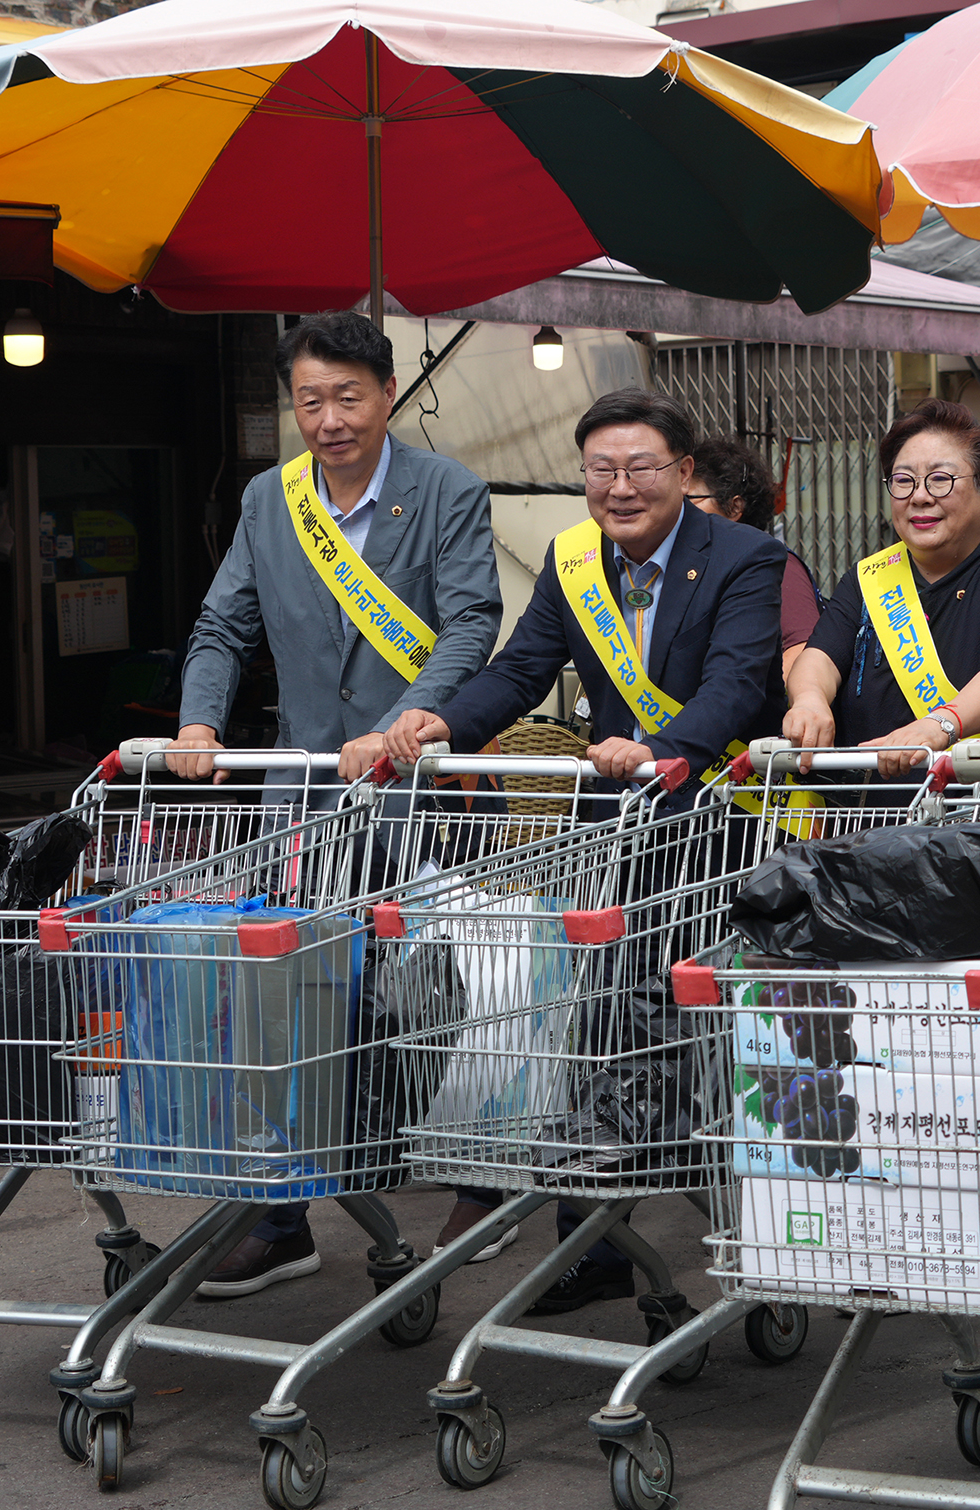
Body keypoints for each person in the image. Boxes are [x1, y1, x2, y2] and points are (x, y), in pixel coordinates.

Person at [386, 387, 787, 1311]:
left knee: (712, 1039)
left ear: (684, 475)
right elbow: (524, 669)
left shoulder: (748, 558)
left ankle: (758, 1230)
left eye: (641, 466)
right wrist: (445, 723)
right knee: (596, 1026)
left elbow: (737, 680)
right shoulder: (576, 563)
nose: (620, 486)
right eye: (601, 469)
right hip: (613, 830)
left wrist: (665, 748)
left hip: (718, 825)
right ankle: (591, 1241)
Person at [170, 311, 505, 1296]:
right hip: (305, 802)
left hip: (420, 791)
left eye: (346, 396)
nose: (327, 419)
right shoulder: (269, 504)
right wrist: (199, 725)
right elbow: (222, 626)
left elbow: (470, 621)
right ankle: (284, 1213)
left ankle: (472, 1174)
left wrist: (409, 719)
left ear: (386, 393)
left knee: (448, 991)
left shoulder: (446, 491)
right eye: (309, 399)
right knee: (288, 999)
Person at [782, 399, 980, 779]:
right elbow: (819, 659)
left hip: (973, 813)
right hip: (865, 814)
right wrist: (809, 700)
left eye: (940, 479)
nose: (919, 496)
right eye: (903, 480)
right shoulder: (869, 577)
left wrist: (938, 726)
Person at [684, 437, 823, 683]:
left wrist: (741, 692)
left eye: (691, 499)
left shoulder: (776, 566)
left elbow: (803, 652)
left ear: (735, 507)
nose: (680, 510)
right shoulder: (697, 565)